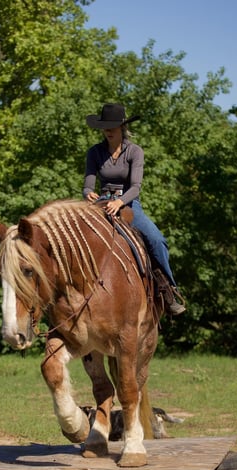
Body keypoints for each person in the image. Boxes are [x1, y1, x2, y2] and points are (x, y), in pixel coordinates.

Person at [82, 103, 186, 316]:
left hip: (127, 204)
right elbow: (88, 183)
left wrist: (119, 202)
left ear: (122, 127)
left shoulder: (135, 151)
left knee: (157, 239)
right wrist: (87, 193)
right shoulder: (94, 152)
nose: (108, 131)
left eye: (112, 127)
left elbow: (136, 187)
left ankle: (168, 291)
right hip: (100, 202)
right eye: (105, 127)